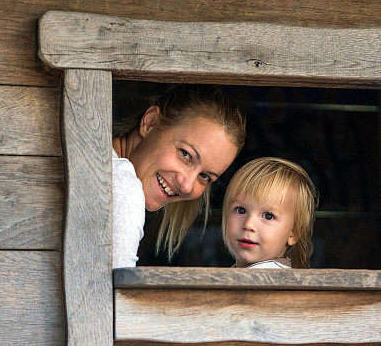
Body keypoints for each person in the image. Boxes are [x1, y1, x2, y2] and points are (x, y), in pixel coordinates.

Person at [111, 85, 246, 267]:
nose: (187, 185)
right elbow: (108, 291)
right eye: (185, 154)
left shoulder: (102, 166)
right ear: (150, 122)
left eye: (205, 176)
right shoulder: (124, 188)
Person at [221, 157, 318, 269]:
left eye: (268, 216)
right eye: (241, 210)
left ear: (294, 233)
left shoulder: (272, 283)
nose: (248, 225)